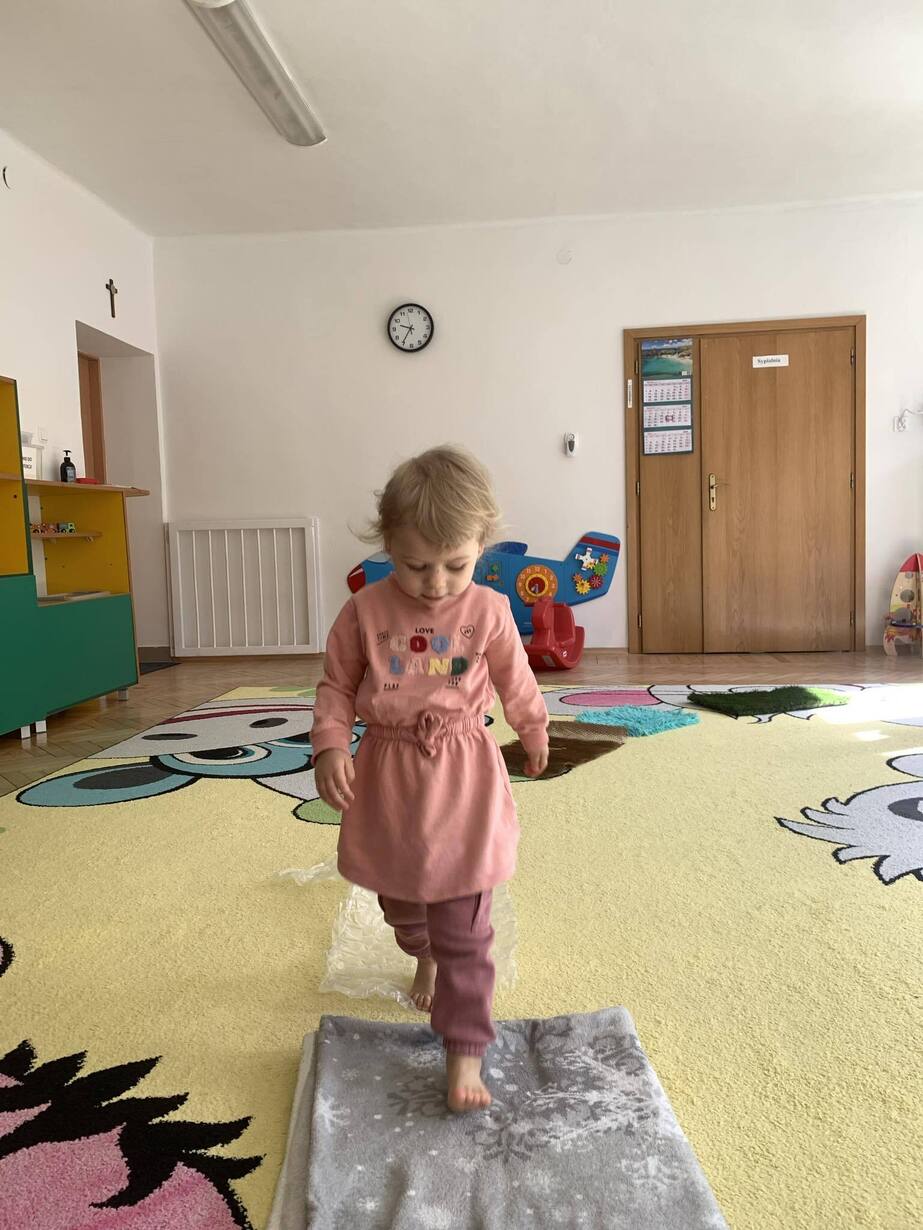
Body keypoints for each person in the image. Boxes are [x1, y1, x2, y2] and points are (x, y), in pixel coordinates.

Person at [310, 445, 549, 1112]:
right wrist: (330, 747)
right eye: (417, 566)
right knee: (404, 907)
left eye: (456, 565)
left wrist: (532, 727)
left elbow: (516, 678)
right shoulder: (363, 612)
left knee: (464, 926)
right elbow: (336, 686)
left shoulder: (490, 610)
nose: (437, 583)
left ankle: (465, 1052)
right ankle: (423, 952)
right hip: (390, 776)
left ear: (481, 547)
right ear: (388, 544)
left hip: (464, 772)